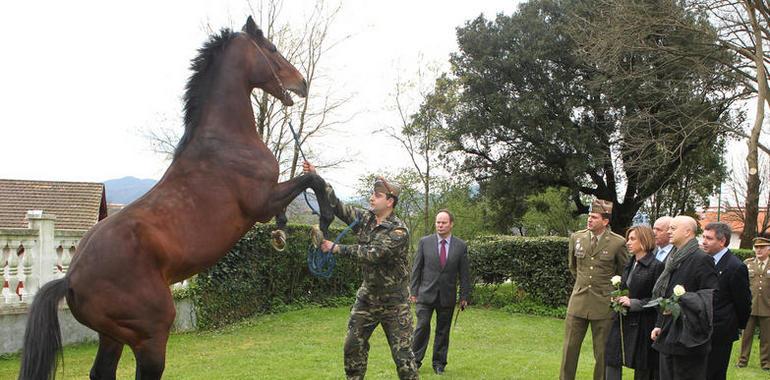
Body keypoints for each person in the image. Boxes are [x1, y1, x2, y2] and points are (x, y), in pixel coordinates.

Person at [303, 161, 418, 380]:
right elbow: (335, 205)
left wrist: (337, 248)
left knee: (404, 359)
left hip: (395, 302)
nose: (371, 198)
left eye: (377, 195)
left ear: (390, 201)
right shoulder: (364, 219)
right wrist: (317, 179)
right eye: (372, 194)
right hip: (367, 298)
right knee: (352, 347)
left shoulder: (399, 231)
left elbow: (374, 253)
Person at [561, 199, 629, 380]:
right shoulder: (577, 237)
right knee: (569, 349)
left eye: (594, 217)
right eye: (589, 216)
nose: (589, 220)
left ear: (605, 221)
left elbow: (624, 274)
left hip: (603, 304)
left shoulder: (617, 242)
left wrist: (615, 296)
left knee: (602, 353)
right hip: (578, 301)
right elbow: (573, 266)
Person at [650, 216, 718, 380]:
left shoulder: (702, 259)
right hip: (668, 334)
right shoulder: (673, 259)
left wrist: (682, 300)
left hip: (689, 337)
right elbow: (665, 293)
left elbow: (711, 296)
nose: (668, 231)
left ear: (688, 232)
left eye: (673, 228)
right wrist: (660, 324)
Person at [410, 209, 470, 375]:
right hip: (425, 294)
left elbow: (464, 274)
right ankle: (414, 361)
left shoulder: (461, 246)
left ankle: (439, 364)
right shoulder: (424, 242)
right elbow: (417, 268)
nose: (440, 225)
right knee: (421, 327)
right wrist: (413, 290)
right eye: (438, 222)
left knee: (443, 331)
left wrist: (464, 296)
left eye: (444, 222)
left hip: (447, 296)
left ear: (451, 224)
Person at [605, 225, 664, 380]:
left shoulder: (656, 266)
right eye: (627, 239)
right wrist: (617, 298)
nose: (628, 243)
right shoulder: (629, 263)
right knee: (612, 358)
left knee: (643, 367)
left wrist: (634, 303)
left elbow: (658, 300)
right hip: (621, 321)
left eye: (632, 239)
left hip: (643, 325)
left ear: (644, 241)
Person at [700, 222, 751, 380]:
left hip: (720, 332)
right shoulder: (703, 261)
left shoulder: (735, 266)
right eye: (703, 237)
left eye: (709, 238)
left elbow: (743, 302)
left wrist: (735, 325)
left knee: (714, 373)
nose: (704, 241)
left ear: (722, 241)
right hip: (701, 328)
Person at [737, 236, 770, 372]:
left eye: (762, 247)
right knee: (746, 336)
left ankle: (766, 363)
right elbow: (742, 285)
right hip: (750, 306)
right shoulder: (747, 263)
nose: (758, 250)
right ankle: (742, 361)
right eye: (756, 247)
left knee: (767, 338)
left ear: (769, 249)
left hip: (767, 307)